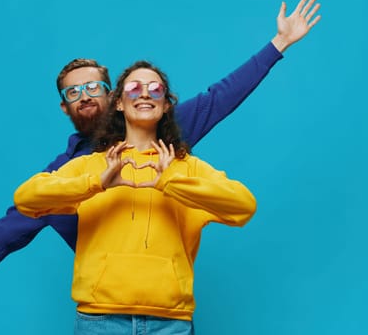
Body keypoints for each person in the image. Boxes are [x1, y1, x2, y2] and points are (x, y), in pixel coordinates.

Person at [0, 0, 321, 316]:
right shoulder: (70, 172)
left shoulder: (168, 139)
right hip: (102, 312)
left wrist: (278, 44)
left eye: (93, 87)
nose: (84, 97)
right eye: (72, 93)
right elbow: (11, 227)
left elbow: (220, 97)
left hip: (165, 308)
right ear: (64, 107)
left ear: (112, 95)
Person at [14, 60, 258, 334]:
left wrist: (172, 182)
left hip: (170, 324)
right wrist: (96, 183)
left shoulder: (185, 167)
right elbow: (26, 198)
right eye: (134, 87)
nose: (144, 94)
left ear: (166, 105)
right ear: (118, 102)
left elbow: (244, 206)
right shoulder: (95, 165)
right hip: (99, 321)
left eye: (155, 89)